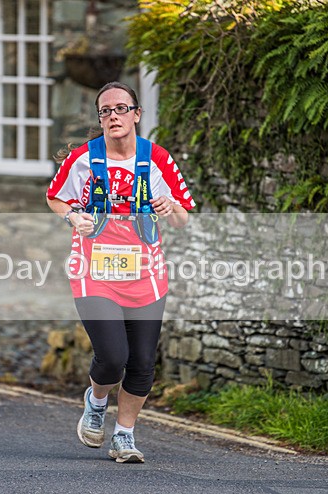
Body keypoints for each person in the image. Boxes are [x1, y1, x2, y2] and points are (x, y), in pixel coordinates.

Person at [46, 81, 195, 463]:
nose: (113, 116)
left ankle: (124, 436)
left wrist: (169, 205)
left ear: (136, 114)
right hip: (94, 270)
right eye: (105, 111)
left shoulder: (157, 158)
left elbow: (181, 220)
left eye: (120, 108)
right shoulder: (84, 159)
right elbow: (55, 197)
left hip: (145, 273)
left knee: (143, 362)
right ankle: (96, 402)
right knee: (113, 355)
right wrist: (73, 217)